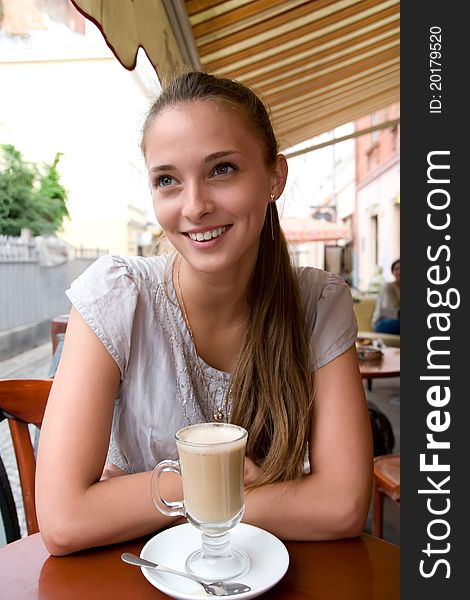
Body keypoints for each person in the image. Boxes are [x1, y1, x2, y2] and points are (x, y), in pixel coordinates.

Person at [36, 71, 373, 556]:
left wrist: (131, 497)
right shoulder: (117, 295)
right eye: (167, 180)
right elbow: (64, 522)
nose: (194, 206)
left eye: (222, 170)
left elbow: (341, 505)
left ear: (275, 177)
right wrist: (221, 481)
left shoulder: (316, 304)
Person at [372, 259, 400, 335]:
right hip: (381, 322)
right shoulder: (387, 287)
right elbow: (386, 312)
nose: (399, 272)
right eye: (396, 269)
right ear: (393, 272)